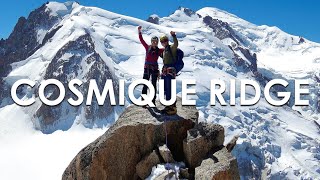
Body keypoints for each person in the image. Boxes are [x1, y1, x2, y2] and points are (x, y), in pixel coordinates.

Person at [138, 26, 163, 107]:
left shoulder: (159, 50)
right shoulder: (147, 47)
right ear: (151, 42)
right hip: (147, 68)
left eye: (156, 41)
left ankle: (152, 101)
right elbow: (142, 40)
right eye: (153, 41)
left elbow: (167, 48)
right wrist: (139, 32)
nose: (155, 43)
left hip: (154, 69)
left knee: (153, 85)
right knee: (145, 83)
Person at [160, 31, 178, 115]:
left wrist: (173, 36)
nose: (164, 42)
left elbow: (176, 44)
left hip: (170, 71)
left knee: (169, 88)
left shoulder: (171, 48)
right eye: (162, 41)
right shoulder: (164, 51)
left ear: (167, 41)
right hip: (165, 71)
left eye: (165, 40)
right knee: (166, 89)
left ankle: (172, 108)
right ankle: (168, 106)